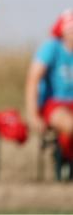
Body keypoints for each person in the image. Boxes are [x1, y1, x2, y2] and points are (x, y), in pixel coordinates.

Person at [25, 9, 73, 163]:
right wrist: (33, 114)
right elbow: (33, 79)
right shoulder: (52, 48)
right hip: (53, 104)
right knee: (69, 124)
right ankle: (64, 157)